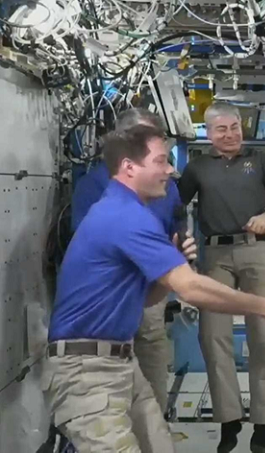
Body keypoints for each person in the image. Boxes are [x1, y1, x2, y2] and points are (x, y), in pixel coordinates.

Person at [43, 125, 265, 453]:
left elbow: (148, 298)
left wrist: (169, 266)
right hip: (87, 371)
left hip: (119, 363)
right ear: (129, 167)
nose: (171, 170)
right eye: (161, 161)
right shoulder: (124, 216)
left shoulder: (128, 210)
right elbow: (191, 288)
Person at [178, 102, 265, 453]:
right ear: (209, 133)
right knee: (213, 335)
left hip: (254, 249)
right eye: (221, 129)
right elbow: (173, 205)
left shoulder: (260, 160)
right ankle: (228, 420)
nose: (230, 134)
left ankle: (263, 423)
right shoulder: (197, 167)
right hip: (214, 255)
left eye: (234, 127)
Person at [69, 108, 179, 413]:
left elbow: (176, 224)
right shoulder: (94, 185)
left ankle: (156, 416)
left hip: (151, 284)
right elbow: (85, 242)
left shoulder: (166, 186)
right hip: (111, 294)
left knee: (152, 348)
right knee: (110, 362)